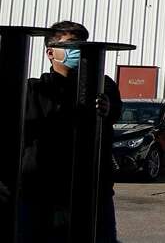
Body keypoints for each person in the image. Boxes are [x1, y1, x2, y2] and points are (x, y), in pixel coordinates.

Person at [18, 20, 122, 242]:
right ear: (50, 52)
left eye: (82, 44)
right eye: (70, 45)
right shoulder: (34, 90)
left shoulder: (103, 85)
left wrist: (106, 106)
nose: (78, 50)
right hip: (43, 195)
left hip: (94, 193)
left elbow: (112, 109)